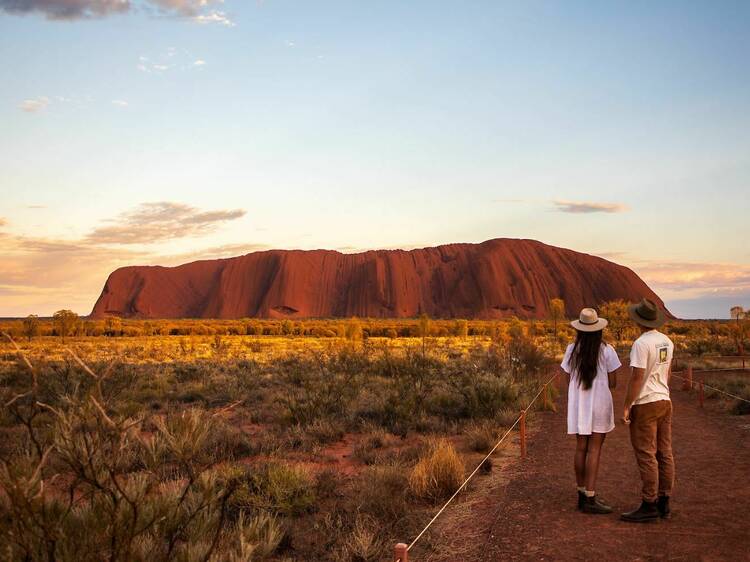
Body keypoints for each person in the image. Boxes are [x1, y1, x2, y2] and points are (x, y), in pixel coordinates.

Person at [561, 308, 621, 514]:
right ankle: (591, 497)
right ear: (598, 329)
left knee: (581, 448)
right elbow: (613, 382)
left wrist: (578, 391)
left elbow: (567, 377)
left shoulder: (571, 349)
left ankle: (580, 493)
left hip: (579, 404)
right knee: (595, 449)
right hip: (600, 403)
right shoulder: (607, 350)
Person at [621, 298, 675, 523]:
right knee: (665, 452)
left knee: (646, 453)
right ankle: (664, 501)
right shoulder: (667, 341)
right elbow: (668, 373)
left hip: (646, 403)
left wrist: (627, 405)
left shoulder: (641, 344)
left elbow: (636, 377)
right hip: (665, 400)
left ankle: (649, 503)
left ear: (638, 321)